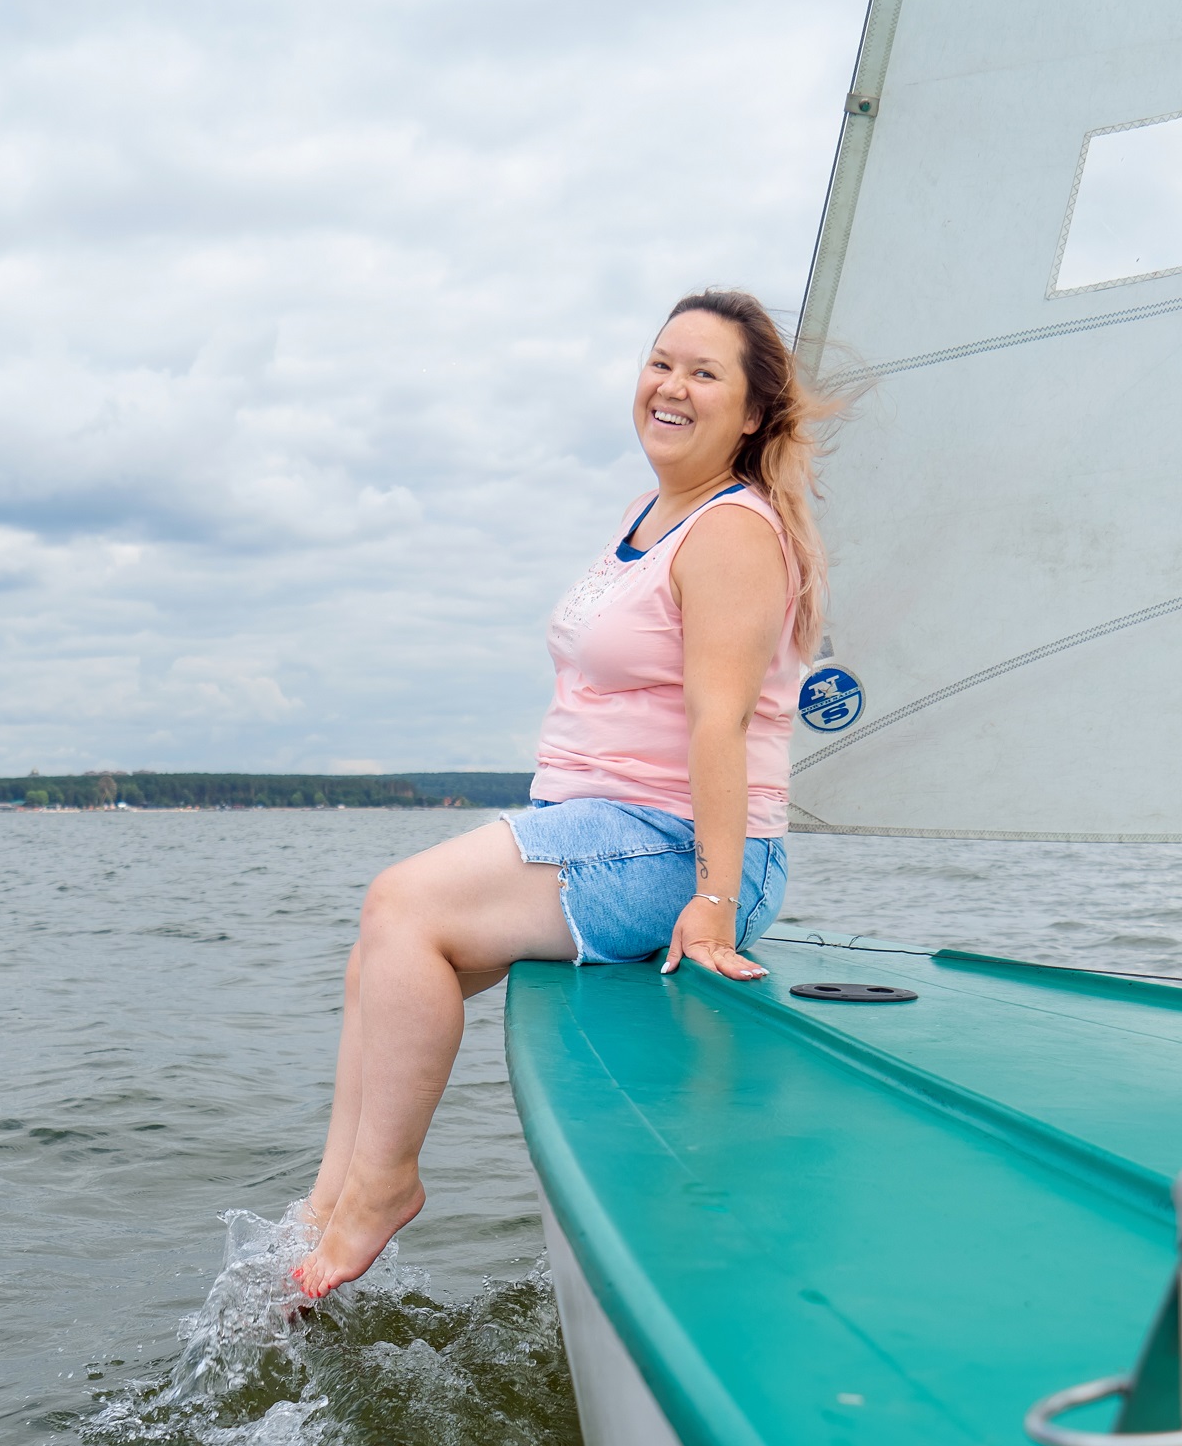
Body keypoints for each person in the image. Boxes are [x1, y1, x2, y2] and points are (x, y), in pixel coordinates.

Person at [292, 287, 831, 1301]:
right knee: (382, 940)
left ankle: (385, 1186)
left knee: (404, 906)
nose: (669, 386)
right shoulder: (652, 513)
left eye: (703, 373)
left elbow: (717, 723)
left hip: (676, 843)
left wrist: (714, 900)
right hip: (598, 826)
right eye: (660, 361)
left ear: (753, 412)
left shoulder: (731, 532)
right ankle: (333, 1189)